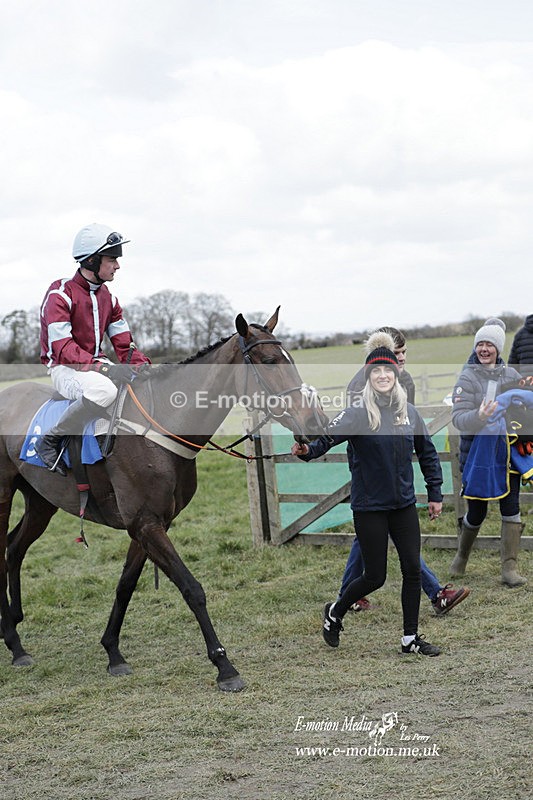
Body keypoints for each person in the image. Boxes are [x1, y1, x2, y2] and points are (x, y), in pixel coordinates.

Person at [292, 331, 444, 656]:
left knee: (412, 571)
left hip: (403, 504)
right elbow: (326, 439)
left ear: (396, 374)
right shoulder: (357, 413)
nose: (383, 375)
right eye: (376, 371)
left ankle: (410, 639)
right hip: (370, 506)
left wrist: (435, 493)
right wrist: (306, 450)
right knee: (374, 576)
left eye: (388, 370)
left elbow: (428, 453)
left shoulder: (409, 413)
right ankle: (335, 611)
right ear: (369, 377)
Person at [341, 326, 469, 616]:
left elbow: (406, 420)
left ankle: (348, 597)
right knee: (383, 537)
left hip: (397, 470)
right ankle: (436, 593)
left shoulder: (404, 380)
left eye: (404, 353)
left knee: (374, 537)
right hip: (371, 472)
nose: (401, 359)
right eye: (396, 353)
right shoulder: (359, 383)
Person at [35, 223, 151, 476]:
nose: (118, 265)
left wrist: (143, 366)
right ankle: (50, 440)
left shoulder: (109, 298)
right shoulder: (60, 294)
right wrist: (105, 368)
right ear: (91, 260)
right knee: (103, 390)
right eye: (112, 259)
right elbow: (63, 348)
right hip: (65, 370)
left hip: (96, 367)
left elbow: (124, 344)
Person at [450, 319, 527, 586]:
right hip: (477, 456)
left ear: (498, 348)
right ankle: (461, 557)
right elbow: (459, 418)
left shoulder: (511, 376)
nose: (484, 349)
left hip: (507, 454)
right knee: (477, 511)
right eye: (480, 344)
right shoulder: (467, 376)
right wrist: (479, 416)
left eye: (489, 344)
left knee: (511, 506)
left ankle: (509, 569)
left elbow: (523, 409)